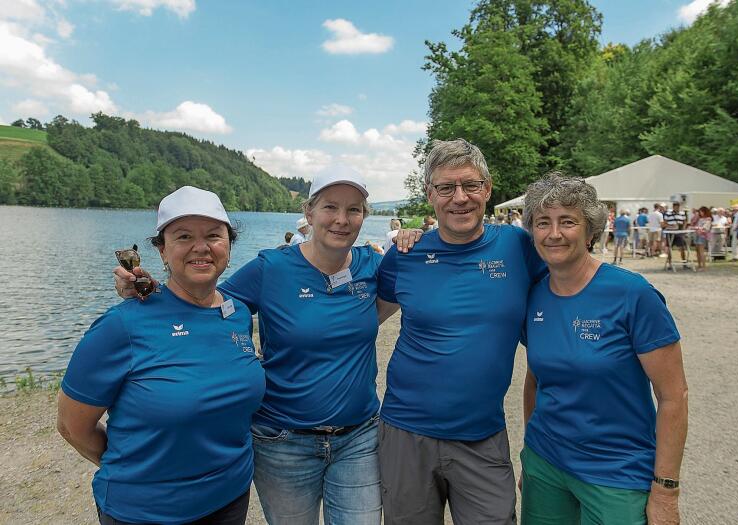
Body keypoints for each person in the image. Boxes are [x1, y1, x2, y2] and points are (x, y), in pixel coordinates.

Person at [114, 167, 409, 525]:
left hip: (359, 438)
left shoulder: (373, 265)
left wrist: (414, 240)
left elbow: (412, 285)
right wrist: (147, 290)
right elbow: (204, 302)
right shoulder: (271, 268)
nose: (342, 220)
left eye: (354, 210)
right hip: (283, 441)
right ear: (309, 212)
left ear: (365, 215)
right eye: (331, 207)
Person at [58, 186, 266, 525]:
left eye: (214, 235)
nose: (201, 247)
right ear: (162, 251)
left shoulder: (238, 313)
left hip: (230, 498)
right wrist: (136, 470)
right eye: (183, 236)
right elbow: (71, 425)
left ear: (228, 244)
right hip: (145, 513)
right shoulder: (123, 325)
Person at [377, 138, 547, 524]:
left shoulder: (518, 246)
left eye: (471, 185)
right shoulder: (404, 255)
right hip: (406, 433)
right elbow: (362, 322)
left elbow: (566, 287)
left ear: (487, 189)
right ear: (429, 194)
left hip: (482, 435)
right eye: (446, 187)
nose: (460, 198)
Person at [520, 173, 688, 525]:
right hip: (546, 465)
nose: (554, 233)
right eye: (542, 222)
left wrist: (666, 491)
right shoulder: (533, 293)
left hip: (617, 474)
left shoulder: (632, 294)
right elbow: (535, 380)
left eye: (567, 221)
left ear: (591, 230)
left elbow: (673, 396)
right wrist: (529, 457)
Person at [662, 201, 688, 270]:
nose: (676, 208)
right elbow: (664, 224)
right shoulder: (668, 214)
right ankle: (670, 264)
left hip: (679, 233)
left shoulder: (682, 213)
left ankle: (684, 263)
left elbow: (685, 222)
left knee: (682, 247)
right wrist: (671, 226)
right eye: (675, 207)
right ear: (673, 207)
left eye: (678, 207)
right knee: (669, 248)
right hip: (670, 232)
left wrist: (683, 229)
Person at [692, 206, 712, 271]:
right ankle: (699, 265)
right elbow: (694, 223)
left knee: (701, 251)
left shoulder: (708, 219)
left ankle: (704, 266)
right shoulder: (700, 219)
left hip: (702, 236)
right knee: (697, 251)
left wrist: (697, 228)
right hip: (697, 235)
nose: (700, 213)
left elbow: (705, 228)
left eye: (701, 211)